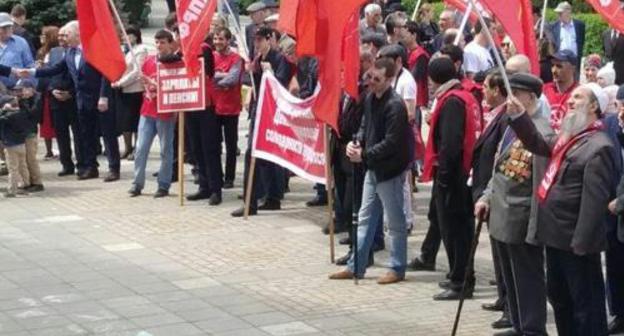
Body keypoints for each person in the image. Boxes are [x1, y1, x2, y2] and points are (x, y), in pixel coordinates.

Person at [507, 83, 614, 336]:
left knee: (585, 308)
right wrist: (519, 116)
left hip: (576, 244)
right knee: (560, 300)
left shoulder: (599, 146)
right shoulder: (568, 139)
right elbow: (537, 142)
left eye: (578, 97)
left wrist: (581, 243)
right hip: (555, 238)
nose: (570, 101)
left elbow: (593, 204)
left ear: (593, 106)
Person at [476, 73, 553, 336]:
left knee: (528, 279)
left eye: (516, 93)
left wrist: (536, 224)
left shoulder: (540, 129)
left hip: (521, 219)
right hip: (501, 216)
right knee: (511, 278)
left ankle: (532, 329)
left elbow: (538, 183)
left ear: (530, 98)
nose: (510, 99)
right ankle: (519, 324)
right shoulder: (510, 127)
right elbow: (500, 168)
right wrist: (486, 198)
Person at [328, 57, 410, 284]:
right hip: (372, 168)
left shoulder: (395, 106)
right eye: (370, 77)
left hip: (389, 170)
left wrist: (364, 154)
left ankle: (397, 267)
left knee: (395, 222)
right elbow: (365, 125)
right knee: (364, 217)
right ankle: (357, 265)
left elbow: (392, 142)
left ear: (390, 79)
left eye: (377, 79)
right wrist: (357, 142)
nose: (371, 82)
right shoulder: (370, 98)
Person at [421, 57, 478, 300]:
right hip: (460, 175)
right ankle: (458, 274)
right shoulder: (461, 95)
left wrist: (443, 179)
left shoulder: (453, 101)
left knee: (456, 230)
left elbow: (451, 145)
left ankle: (461, 282)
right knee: (454, 229)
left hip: (454, 178)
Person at [20, 20, 106, 181]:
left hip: (91, 99)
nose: (64, 37)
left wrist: (101, 95)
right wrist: (31, 72)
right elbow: (55, 69)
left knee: (89, 135)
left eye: (67, 34)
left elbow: (99, 76)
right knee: (83, 135)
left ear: (77, 34)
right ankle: (89, 167)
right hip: (77, 100)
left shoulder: (91, 51)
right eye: (63, 35)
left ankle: (91, 165)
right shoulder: (68, 53)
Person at [231, 27, 293, 217]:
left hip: (273, 114)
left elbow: (281, 84)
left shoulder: (280, 59)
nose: (256, 44)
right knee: (256, 155)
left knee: (266, 155)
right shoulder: (257, 60)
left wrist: (270, 72)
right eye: (254, 40)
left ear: (269, 39)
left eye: (259, 40)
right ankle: (254, 200)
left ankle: (270, 197)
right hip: (259, 112)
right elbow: (250, 82)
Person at [471, 70, 511, 328]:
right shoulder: (493, 115)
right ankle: (503, 298)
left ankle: (510, 306)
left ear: (497, 90)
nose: (482, 91)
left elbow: (502, 159)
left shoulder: (506, 118)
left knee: (506, 255)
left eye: (486, 86)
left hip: (498, 193)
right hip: (487, 191)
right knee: (496, 252)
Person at [128, 30, 178, 198]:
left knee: (166, 150)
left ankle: (163, 185)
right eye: (157, 42)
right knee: (141, 148)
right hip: (147, 111)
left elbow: (176, 87)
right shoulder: (149, 61)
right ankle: (137, 183)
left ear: (170, 43)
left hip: (166, 113)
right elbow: (142, 82)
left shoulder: (177, 63)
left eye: (163, 42)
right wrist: (145, 83)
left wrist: (154, 83)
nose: (159, 46)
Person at [46, 26, 81, 177]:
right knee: (61, 135)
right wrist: (52, 90)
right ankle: (66, 164)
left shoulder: (77, 52)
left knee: (78, 134)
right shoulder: (53, 53)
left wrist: (70, 93)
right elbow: (47, 75)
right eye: (59, 35)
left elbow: (80, 77)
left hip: (72, 99)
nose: (61, 38)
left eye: (64, 35)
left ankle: (82, 164)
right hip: (56, 100)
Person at [212, 27, 243, 191]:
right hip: (214, 107)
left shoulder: (236, 58)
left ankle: (229, 177)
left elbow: (233, 79)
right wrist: (220, 78)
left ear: (228, 40)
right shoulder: (211, 57)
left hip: (231, 108)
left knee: (231, 146)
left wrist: (216, 80)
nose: (217, 42)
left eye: (221, 39)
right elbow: (206, 76)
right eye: (215, 39)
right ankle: (217, 176)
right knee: (215, 145)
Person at [112, 25, 148, 161]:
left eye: (128, 35)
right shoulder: (126, 50)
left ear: (136, 36)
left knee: (135, 122)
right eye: (123, 35)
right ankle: (128, 147)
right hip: (123, 91)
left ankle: (138, 149)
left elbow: (136, 71)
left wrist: (121, 83)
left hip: (135, 90)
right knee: (125, 122)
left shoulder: (140, 50)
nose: (124, 37)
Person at [606, 84, 624, 335]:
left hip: (618, 205)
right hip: (611, 214)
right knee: (615, 266)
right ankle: (619, 313)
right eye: (620, 105)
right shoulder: (609, 125)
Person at [15, 79, 44, 192]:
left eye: (23, 89)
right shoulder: (22, 100)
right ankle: (28, 181)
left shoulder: (37, 98)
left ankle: (37, 182)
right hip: (22, 132)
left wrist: (23, 102)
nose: (21, 93)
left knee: (31, 158)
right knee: (24, 159)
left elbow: (33, 113)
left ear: (30, 89)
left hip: (30, 132)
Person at [35, 26, 59, 159]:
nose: (41, 37)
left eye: (44, 35)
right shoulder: (41, 52)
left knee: (56, 122)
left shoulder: (58, 52)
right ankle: (49, 149)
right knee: (45, 122)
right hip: (43, 90)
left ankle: (60, 148)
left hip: (54, 89)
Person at [0, 94, 30, 197]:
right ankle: (25, 185)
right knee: (23, 166)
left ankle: (12, 190)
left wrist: (3, 110)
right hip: (22, 143)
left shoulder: (7, 116)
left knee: (13, 168)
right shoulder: (22, 113)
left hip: (11, 145)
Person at [543, 50, 578, 133]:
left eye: (559, 66)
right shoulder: (545, 89)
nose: (554, 71)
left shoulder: (579, 93)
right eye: (552, 66)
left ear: (573, 69)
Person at [0, 12, 35, 90]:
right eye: (4, 27)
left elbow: (30, 65)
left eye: (9, 26)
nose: (8, 29)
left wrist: (29, 86)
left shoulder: (21, 42)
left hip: (17, 90)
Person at [550, 1, 585, 74]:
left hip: (575, 62)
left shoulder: (579, 25)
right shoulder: (554, 26)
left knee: (575, 81)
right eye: (558, 13)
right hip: (560, 61)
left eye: (560, 13)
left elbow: (581, 42)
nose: (558, 15)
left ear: (568, 12)